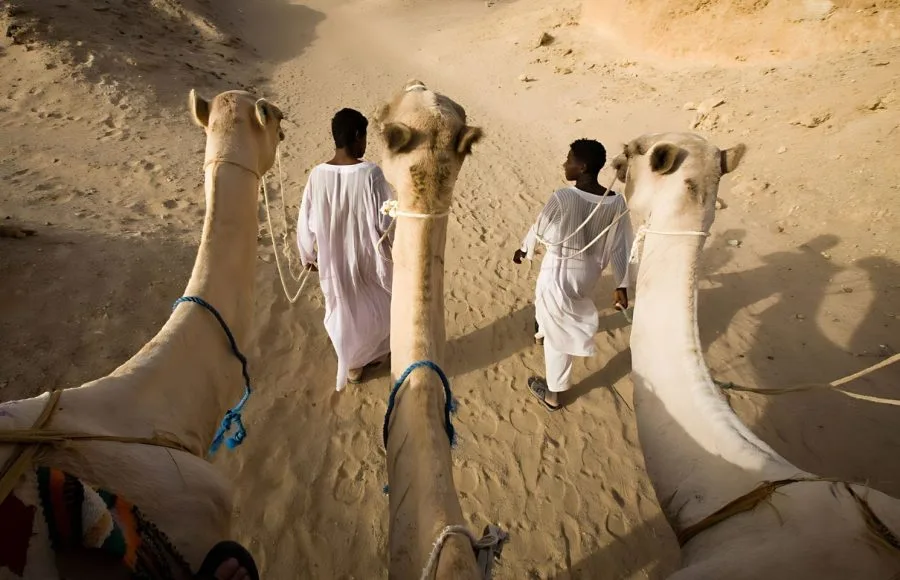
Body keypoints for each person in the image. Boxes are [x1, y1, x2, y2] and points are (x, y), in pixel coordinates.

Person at [513, 139, 634, 411]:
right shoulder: (615, 202)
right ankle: (542, 331)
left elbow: (541, 227)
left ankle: (554, 396)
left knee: (558, 333)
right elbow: (621, 245)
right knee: (556, 313)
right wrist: (621, 283)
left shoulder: (563, 197)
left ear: (582, 167)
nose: (564, 164)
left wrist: (524, 249)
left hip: (557, 272)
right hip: (588, 275)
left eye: (569, 160)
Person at [297, 108, 394, 390]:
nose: (365, 145)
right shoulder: (371, 173)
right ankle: (371, 354)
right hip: (368, 257)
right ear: (356, 136)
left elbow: (306, 219)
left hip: (333, 260)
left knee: (343, 308)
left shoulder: (317, 175)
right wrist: (396, 245)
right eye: (363, 137)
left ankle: (353, 364)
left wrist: (307, 255)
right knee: (379, 303)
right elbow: (385, 219)